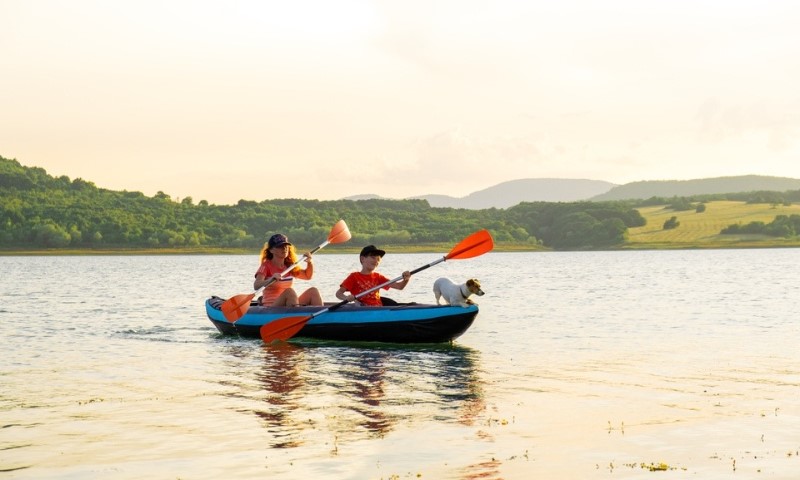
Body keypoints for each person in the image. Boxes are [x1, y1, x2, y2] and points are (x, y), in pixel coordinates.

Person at [254, 233, 323, 307]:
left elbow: (307, 276)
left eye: (286, 246)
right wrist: (270, 279)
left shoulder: (289, 266)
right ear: (271, 250)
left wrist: (309, 262)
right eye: (280, 246)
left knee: (313, 291)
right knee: (289, 292)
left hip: (289, 302)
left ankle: (320, 318)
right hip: (272, 306)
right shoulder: (266, 266)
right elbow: (256, 285)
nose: (284, 248)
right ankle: (295, 315)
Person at [335, 245, 411, 306]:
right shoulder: (354, 277)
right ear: (362, 259)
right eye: (373, 257)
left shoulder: (378, 277)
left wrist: (406, 279)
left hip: (378, 309)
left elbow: (399, 287)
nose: (376, 261)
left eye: (378, 259)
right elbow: (338, 294)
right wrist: (347, 298)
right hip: (363, 309)